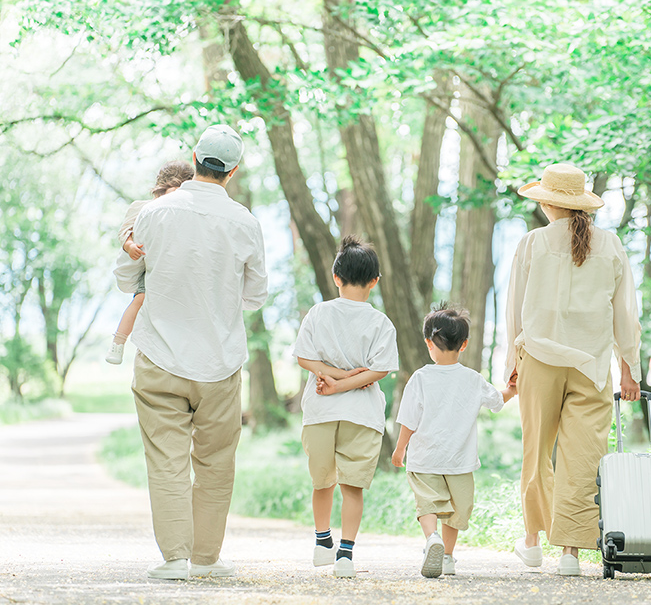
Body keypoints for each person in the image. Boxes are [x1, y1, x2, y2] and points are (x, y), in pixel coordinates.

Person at [114, 124, 267, 580]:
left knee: (167, 460)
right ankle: (206, 559)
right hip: (220, 363)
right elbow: (255, 296)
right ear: (233, 171)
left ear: (193, 156)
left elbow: (126, 278)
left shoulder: (154, 213)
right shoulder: (246, 222)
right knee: (216, 463)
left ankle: (176, 559)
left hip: (159, 356)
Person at [505, 162, 641, 576]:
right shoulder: (611, 244)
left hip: (540, 361)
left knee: (537, 454)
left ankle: (531, 542)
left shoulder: (532, 243)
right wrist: (629, 368)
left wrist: (512, 365)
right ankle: (570, 553)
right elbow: (625, 315)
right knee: (584, 458)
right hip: (591, 365)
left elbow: (515, 311)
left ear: (547, 202)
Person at [293, 236, 399, 579]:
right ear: (375, 281)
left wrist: (332, 380)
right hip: (362, 415)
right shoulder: (381, 322)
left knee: (321, 481)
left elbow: (304, 358)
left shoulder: (318, 313)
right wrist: (346, 379)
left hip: (321, 410)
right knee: (352, 487)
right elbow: (379, 370)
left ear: (336, 277)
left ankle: (322, 542)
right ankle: (346, 555)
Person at [391, 305, 516, 578]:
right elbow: (497, 401)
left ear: (428, 343)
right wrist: (512, 390)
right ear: (464, 344)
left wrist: (400, 449)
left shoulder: (421, 378)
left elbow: (409, 419)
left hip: (425, 458)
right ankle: (446, 556)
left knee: (428, 504)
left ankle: (431, 539)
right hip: (459, 461)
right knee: (457, 511)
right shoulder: (473, 379)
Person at [106, 160, 194, 365]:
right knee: (140, 300)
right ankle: (118, 343)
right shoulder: (142, 208)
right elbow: (124, 231)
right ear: (160, 190)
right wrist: (129, 246)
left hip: (176, 268)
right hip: (151, 266)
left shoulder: (189, 211)